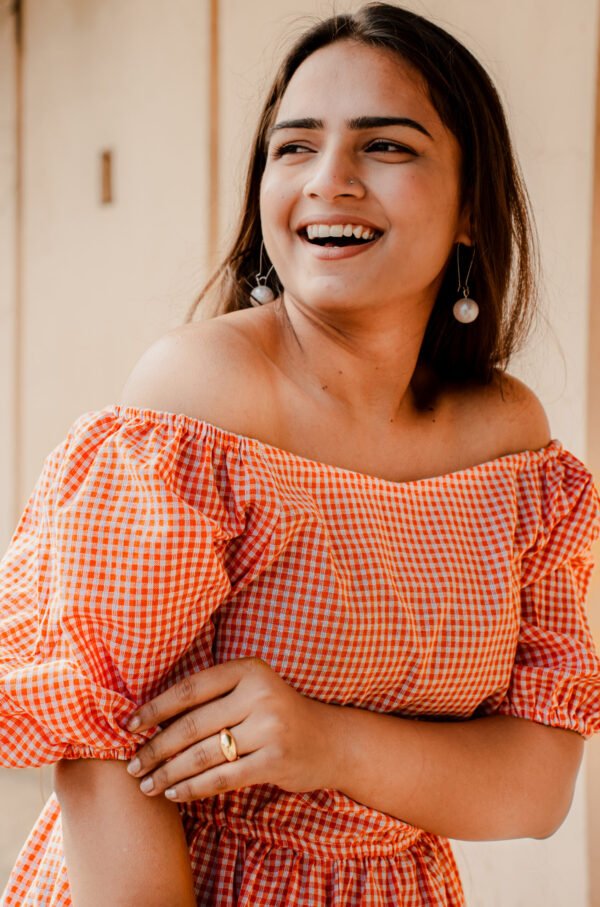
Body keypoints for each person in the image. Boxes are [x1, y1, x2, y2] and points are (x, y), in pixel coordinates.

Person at [1, 3, 599, 905]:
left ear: (472, 208)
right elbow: (100, 751)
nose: (329, 180)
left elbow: (537, 785)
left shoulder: (512, 447)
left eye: (385, 145)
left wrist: (324, 740)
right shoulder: (198, 400)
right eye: (295, 147)